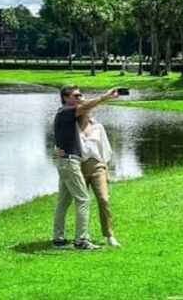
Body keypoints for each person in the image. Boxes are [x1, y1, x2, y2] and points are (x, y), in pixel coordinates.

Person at [52, 85, 119, 250]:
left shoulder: (66, 116)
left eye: (81, 95)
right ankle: (81, 241)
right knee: (83, 199)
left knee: (63, 200)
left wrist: (56, 148)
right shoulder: (67, 112)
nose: (80, 98)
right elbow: (83, 107)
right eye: (76, 95)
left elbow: (61, 138)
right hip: (72, 163)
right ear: (65, 98)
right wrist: (104, 96)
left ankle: (58, 238)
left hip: (74, 163)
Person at [78, 113, 120, 247]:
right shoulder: (72, 127)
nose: (87, 111)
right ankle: (82, 235)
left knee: (104, 199)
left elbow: (106, 149)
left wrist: (106, 170)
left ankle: (109, 235)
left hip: (98, 167)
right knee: (82, 203)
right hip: (79, 167)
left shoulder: (98, 127)